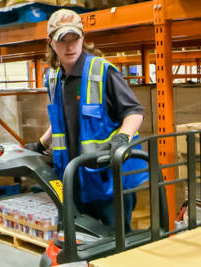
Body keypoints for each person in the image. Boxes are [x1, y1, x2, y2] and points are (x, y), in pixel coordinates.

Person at [25, 8, 148, 233]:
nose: (70, 46)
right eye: (63, 40)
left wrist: (122, 137)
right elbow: (59, 119)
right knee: (80, 240)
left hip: (107, 179)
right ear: (51, 42)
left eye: (75, 39)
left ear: (83, 39)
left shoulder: (102, 72)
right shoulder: (53, 78)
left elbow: (134, 111)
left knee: (115, 242)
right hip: (74, 180)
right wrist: (41, 143)